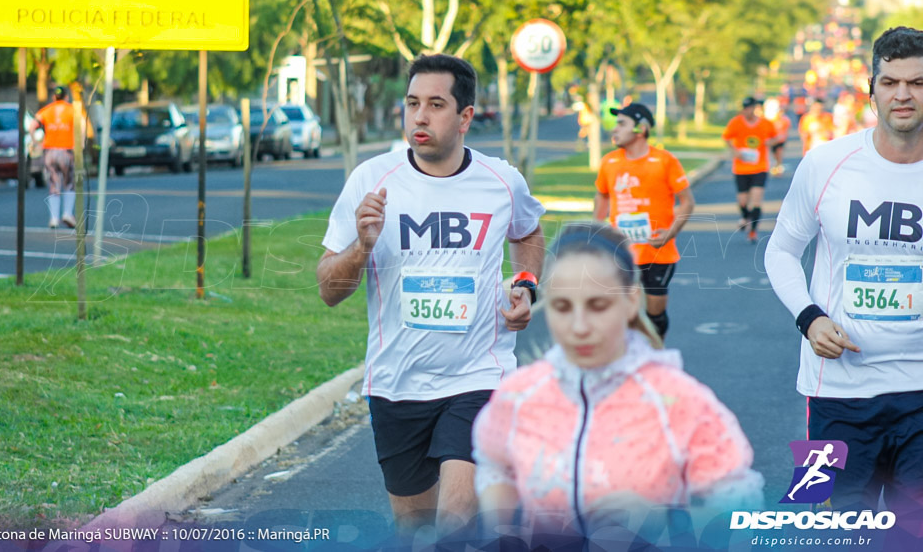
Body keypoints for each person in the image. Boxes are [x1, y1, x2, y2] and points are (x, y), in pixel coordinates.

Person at [316, 54, 546, 538]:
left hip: (480, 374)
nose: (419, 116)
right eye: (412, 103)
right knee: (414, 528)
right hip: (397, 381)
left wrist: (525, 285)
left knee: (456, 517)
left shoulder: (502, 180)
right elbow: (329, 290)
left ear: (465, 117)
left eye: (436, 104)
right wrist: (362, 246)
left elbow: (528, 233)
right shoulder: (371, 182)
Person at [473, 222, 763, 535]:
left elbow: (742, 513)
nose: (579, 326)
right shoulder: (519, 395)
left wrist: (661, 517)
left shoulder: (680, 401)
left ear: (630, 300)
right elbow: (494, 464)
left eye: (598, 305)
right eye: (562, 307)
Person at [765, 26, 923, 530]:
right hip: (835, 392)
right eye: (891, 81)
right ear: (870, 91)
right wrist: (810, 319)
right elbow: (782, 251)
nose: (904, 94)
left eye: (919, 83)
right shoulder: (826, 163)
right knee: (826, 532)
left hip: (920, 393)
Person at [594, 103, 695, 339]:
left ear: (640, 128)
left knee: (654, 317)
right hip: (621, 253)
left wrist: (670, 232)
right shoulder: (609, 162)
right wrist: (596, 230)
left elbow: (687, 202)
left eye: (621, 124)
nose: (614, 129)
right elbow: (602, 194)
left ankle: (655, 357)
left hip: (658, 253)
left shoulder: (664, 161)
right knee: (622, 315)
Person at [723, 96, 779, 242]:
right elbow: (726, 137)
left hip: (760, 167)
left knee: (756, 199)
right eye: (745, 108)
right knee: (742, 200)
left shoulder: (765, 123)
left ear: (755, 108)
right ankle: (746, 217)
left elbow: (776, 137)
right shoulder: (736, 122)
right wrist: (735, 151)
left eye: (750, 108)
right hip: (741, 168)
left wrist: (769, 142)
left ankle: (753, 231)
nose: (748, 111)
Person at [31, 86, 77, 229]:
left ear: (54, 97)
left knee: (53, 183)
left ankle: (54, 218)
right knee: (69, 182)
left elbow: (32, 126)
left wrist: (36, 142)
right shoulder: (72, 110)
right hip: (66, 150)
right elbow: (81, 127)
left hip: (50, 151)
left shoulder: (47, 110)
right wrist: (80, 146)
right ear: (66, 97)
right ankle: (68, 213)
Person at [763, 97, 792, 176]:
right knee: (774, 154)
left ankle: (778, 167)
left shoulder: (784, 119)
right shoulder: (770, 120)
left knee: (779, 153)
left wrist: (784, 136)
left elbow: (787, 128)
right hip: (773, 139)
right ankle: (775, 165)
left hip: (781, 140)